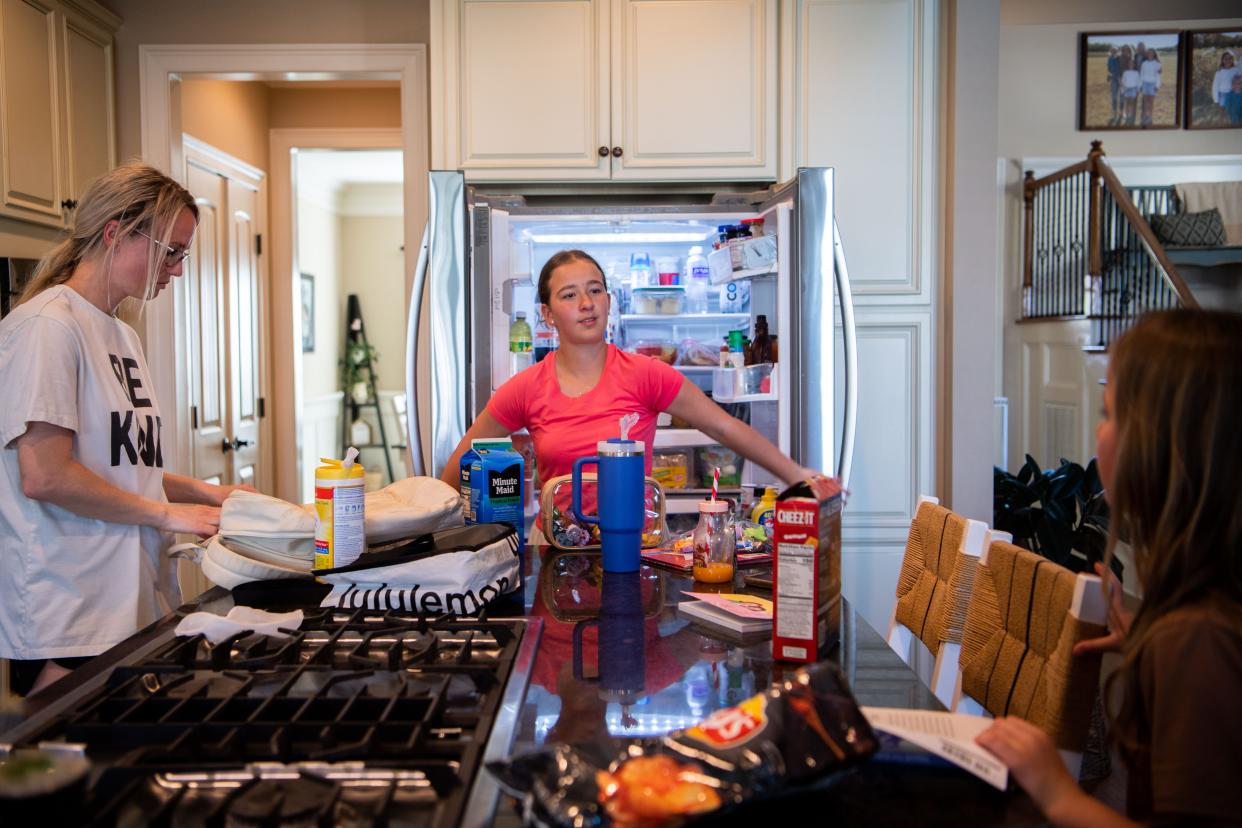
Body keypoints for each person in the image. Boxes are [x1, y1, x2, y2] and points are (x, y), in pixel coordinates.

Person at [975, 309, 1242, 826]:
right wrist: (1148, 635)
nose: (1099, 435)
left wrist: (1059, 794)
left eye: (1110, 413)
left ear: (1166, 450)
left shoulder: (1199, 641)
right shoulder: (1200, 625)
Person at [0, 162, 251, 697]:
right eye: (171, 251)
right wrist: (167, 514)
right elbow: (45, 475)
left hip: (129, 600)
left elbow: (125, 471)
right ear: (115, 233)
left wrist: (211, 494)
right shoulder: (47, 328)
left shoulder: (121, 335)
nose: (178, 269)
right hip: (70, 613)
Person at [440, 249, 817, 503]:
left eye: (595, 290)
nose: (586, 304)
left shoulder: (645, 375)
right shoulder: (526, 388)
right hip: (559, 550)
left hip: (635, 551)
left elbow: (725, 428)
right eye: (569, 295)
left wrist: (798, 476)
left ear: (608, 300)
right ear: (547, 315)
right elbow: (461, 464)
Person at [1138, 48, 1161, 127]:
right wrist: (1140, 85)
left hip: (1152, 84)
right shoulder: (1144, 63)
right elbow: (1141, 74)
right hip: (1145, 84)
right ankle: (1145, 117)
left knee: (1151, 102)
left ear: (1154, 54)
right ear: (1147, 54)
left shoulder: (1157, 64)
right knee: (1145, 102)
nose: (1150, 54)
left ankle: (1150, 117)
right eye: (1148, 53)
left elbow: (1158, 76)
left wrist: (1157, 86)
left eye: (1151, 53)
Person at [1119, 56, 1140, 126]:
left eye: (1132, 63)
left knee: (1131, 103)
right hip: (1126, 89)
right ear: (1128, 64)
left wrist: (1137, 90)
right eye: (1130, 63)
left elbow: (1137, 82)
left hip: (1133, 89)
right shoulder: (1125, 72)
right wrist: (1122, 90)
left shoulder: (1136, 72)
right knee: (1127, 103)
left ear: (1134, 65)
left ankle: (1130, 115)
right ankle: (1127, 115)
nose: (1131, 64)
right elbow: (1123, 81)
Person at [1106, 47, 1122, 124]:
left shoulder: (1119, 58)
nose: (1113, 52)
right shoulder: (1109, 59)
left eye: (1115, 51)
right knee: (1114, 97)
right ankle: (1115, 113)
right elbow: (1109, 69)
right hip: (1113, 80)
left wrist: (1120, 78)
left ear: (1117, 51)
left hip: (1121, 80)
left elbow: (1122, 67)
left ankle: (1122, 113)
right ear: (1110, 51)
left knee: (1122, 97)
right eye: (1112, 51)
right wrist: (1110, 76)